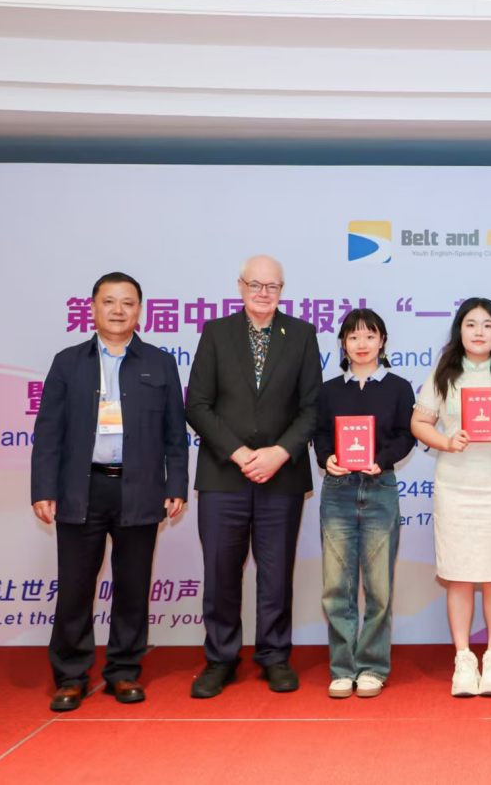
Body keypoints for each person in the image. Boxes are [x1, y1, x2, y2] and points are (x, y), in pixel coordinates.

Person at [30, 272, 187, 711]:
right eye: (109, 301)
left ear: (140, 311)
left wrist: (175, 484)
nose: (118, 310)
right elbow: (48, 432)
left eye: (128, 302)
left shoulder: (159, 363)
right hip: (81, 489)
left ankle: (124, 671)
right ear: (93, 308)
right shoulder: (68, 362)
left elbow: (175, 433)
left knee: (133, 587)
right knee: (75, 587)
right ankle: (71, 675)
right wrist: (43, 488)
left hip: (140, 489)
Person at [185, 256, 322, 697]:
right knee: (221, 572)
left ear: (282, 290)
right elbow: (197, 405)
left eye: (272, 286)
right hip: (224, 474)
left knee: (276, 573)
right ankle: (221, 659)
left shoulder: (301, 335)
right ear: (240, 286)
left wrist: (279, 453)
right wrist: (241, 453)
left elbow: (312, 408)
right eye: (255, 285)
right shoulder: (216, 333)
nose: (264, 293)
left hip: (281, 476)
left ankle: (274, 656)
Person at [411, 298, 491, 697]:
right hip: (455, 487)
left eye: (487, 325)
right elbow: (419, 422)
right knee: (460, 574)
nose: (479, 332)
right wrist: (446, 442)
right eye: (471, 324)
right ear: (459, 330)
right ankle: (464, 659)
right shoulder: (442, 375)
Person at [312, 309, 416, 699]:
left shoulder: (398, 387)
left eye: (370, 336)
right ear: (342, 343)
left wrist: (382, 459)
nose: (361, 344)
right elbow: (320, 433)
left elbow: (406, 434)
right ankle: (342, 668)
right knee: (336, 586)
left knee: (379, 587)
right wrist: (327, 458)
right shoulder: (328, 390)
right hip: (337, 491)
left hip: (379, 488)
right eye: (353, 337)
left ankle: (372, 666)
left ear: (382, 341)